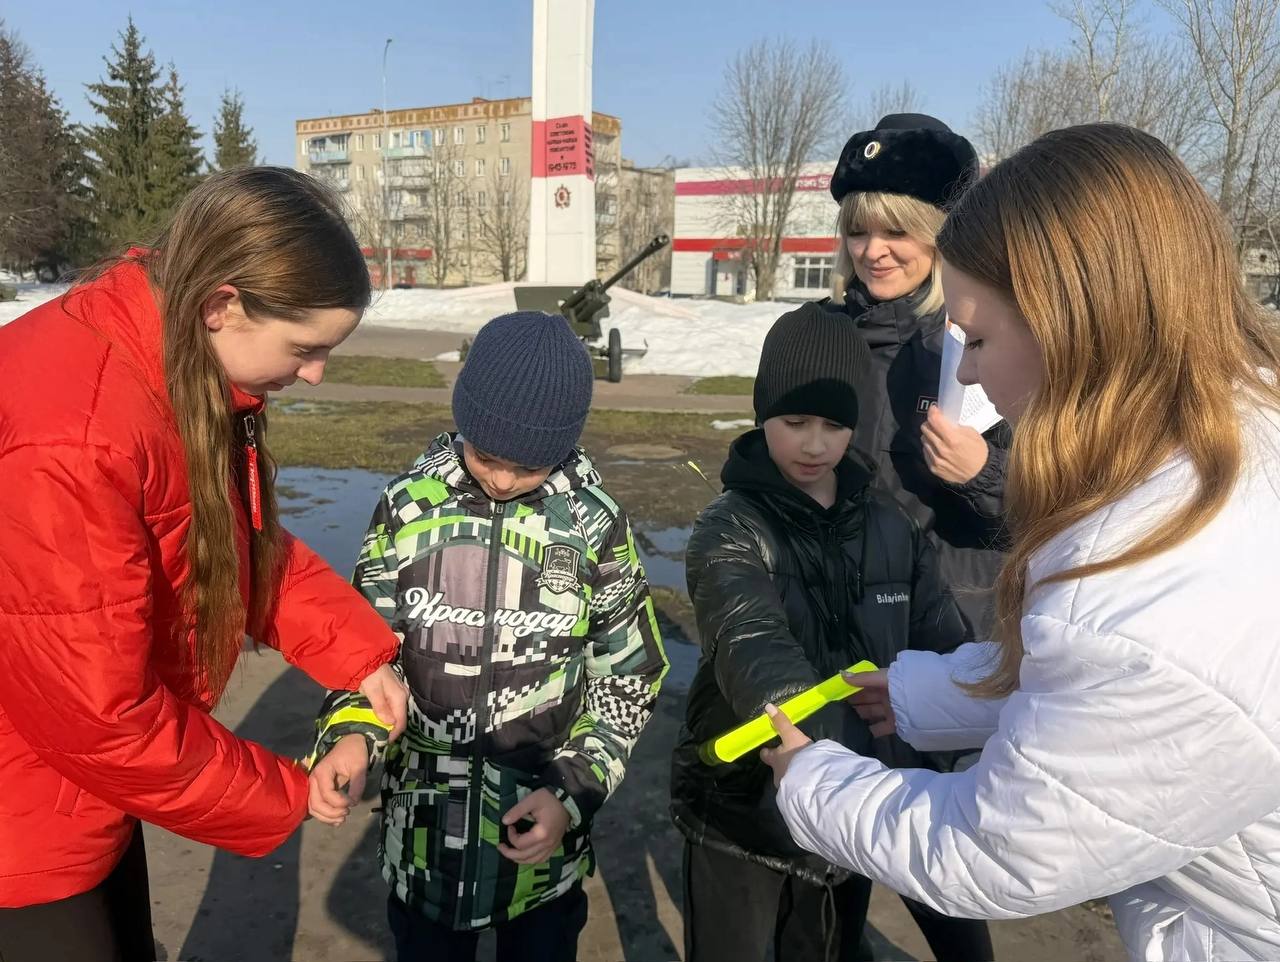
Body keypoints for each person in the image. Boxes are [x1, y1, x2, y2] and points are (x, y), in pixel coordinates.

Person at [763, 123, 1280, 962]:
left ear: (1076, 324)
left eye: (984, 342)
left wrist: (810, 781)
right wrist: (919, 691)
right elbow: (1097, 688)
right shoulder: (1232, 439)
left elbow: (991, 848)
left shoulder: (1142, 599)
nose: (966, 375)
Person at [0, 167, 408, 962]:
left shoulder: (168, 363)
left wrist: (358, 653)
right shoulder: (76, 438)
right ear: (223, 304)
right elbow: (101, 717)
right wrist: (284, 792)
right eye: (306, 348)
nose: (317, 373)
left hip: (75, 793)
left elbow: (228, 540)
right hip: (22, 819)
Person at [306, 311, 668, 962]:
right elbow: (360, 650)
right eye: (488, 456)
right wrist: (351, 738)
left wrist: (572, 791)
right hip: (422, 854)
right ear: (464, 422)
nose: (502, 479)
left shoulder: (594, 529)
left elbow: (628, 676)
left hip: (541, 851)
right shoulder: (405, 508)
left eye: (527, 466)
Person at [670, 303, 980, 962]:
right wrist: (798, 728)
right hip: (746, 804)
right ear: (762, 416)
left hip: (850, 804)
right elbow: (748, 631)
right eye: (794, 422)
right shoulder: (730, 527)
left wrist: (972, 703)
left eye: (834, 426)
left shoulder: (890, 524)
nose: (814, 444)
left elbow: (939, 633)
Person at [826, 113, 1008, 632]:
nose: (871, 251)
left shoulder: (990, 342)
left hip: (952, 628)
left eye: (896, 231)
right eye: (857, 232)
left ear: (942, 236)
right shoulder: (819, 333)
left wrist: (984, 472)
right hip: (837, 616)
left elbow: (1067, 499)